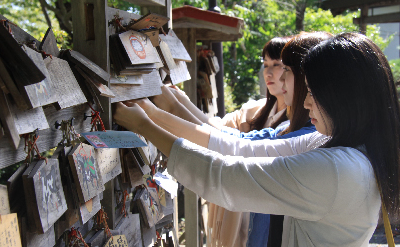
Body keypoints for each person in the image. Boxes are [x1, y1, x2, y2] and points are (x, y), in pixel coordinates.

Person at [113, 32, 400, 246]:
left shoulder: (338, 169)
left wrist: (146, 125)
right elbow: (240, 147)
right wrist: (153, 113)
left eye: (313, 91)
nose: (306, 102)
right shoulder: (334, 147)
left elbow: (225, 177)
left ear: (343, 97)